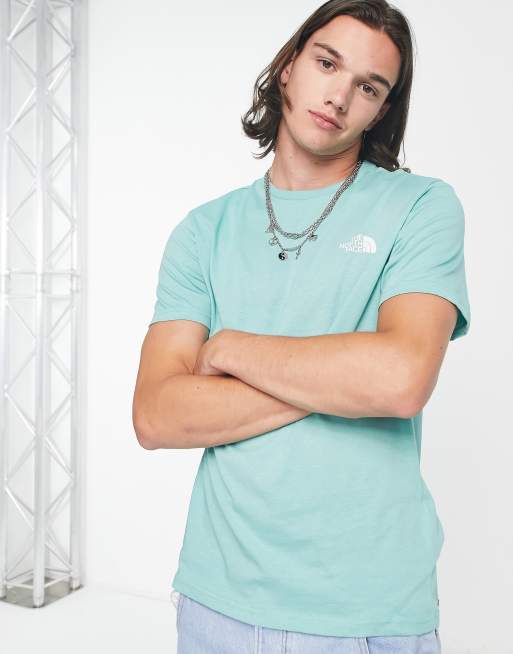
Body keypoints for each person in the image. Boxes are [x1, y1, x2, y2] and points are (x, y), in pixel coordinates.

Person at [132, 1, 471, 652]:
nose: (339, 96)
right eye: (327, 64)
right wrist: (344, 378)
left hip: (368, 611)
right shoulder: (203, 232)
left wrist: (230, 349)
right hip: (217, 602)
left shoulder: (421, 207)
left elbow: (400, 381)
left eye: (368, 87)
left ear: (382, 109)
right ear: (288, 66)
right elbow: (156, 415)